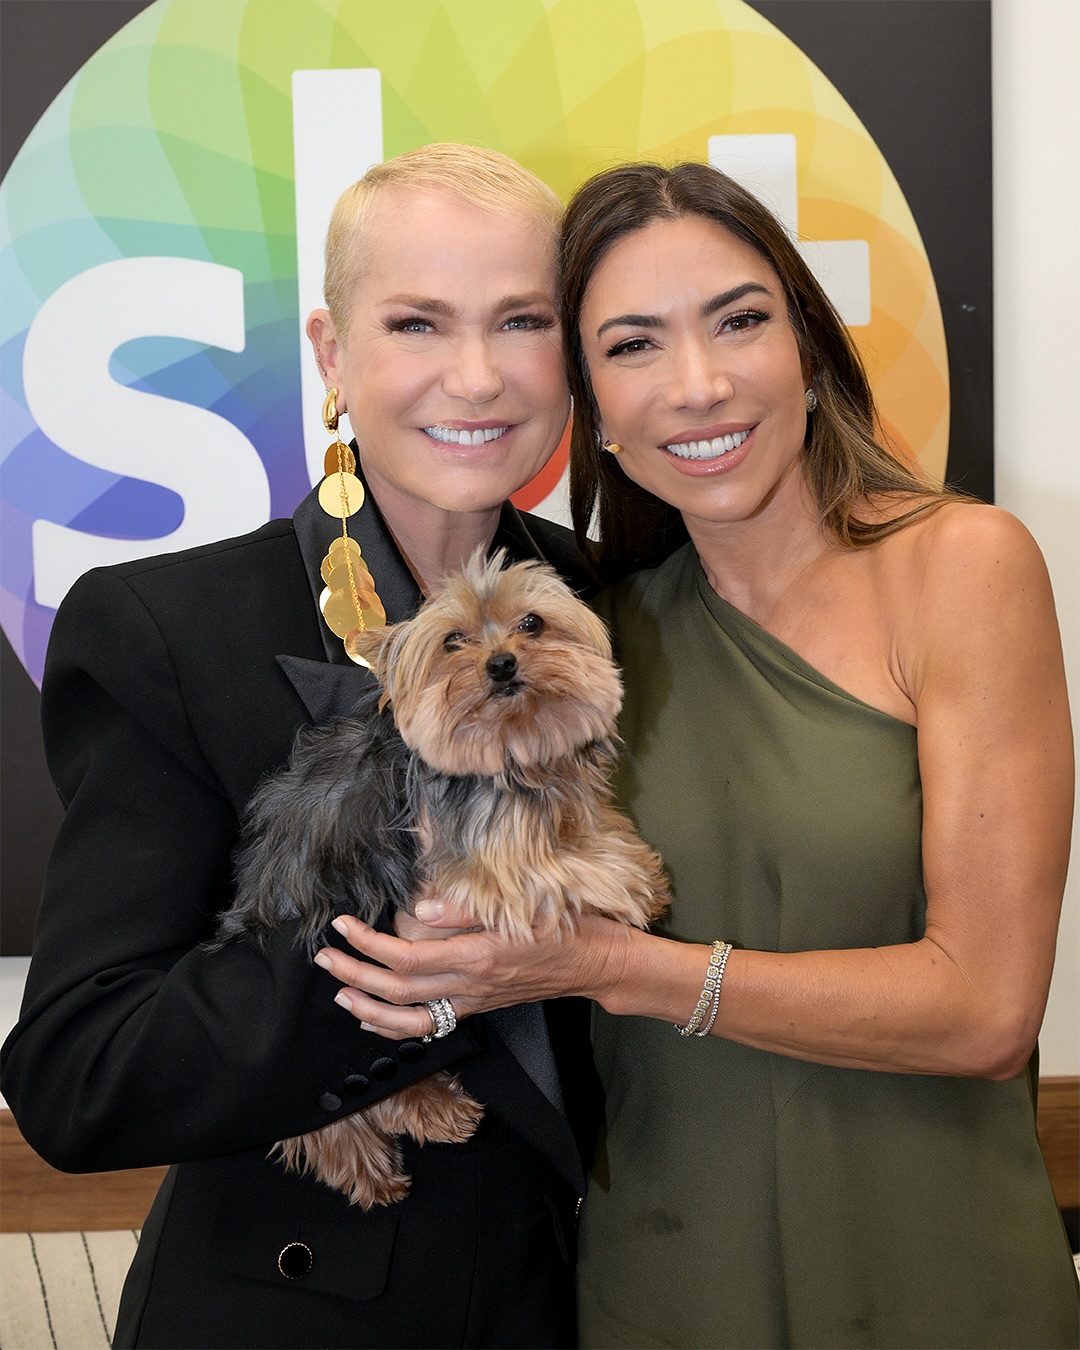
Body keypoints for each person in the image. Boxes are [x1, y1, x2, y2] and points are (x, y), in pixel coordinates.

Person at [314, 161, 1080, 1349]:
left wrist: (624, 968)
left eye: (740, 321)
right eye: (632, 345)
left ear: (807, 346)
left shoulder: (964, 568)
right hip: (658, 1284)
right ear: (594, 409)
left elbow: (985, 1011)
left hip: (940, 1275)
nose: (699, 384)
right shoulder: (591, 642)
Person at [0, 143, 603, 1350]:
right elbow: (81, 1073)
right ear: (332, 355)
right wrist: (416, 968)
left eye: (522, 321)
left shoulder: (622, 602)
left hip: (596, 1303)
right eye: (417, 323)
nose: (476, 375)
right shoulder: (169, 628)